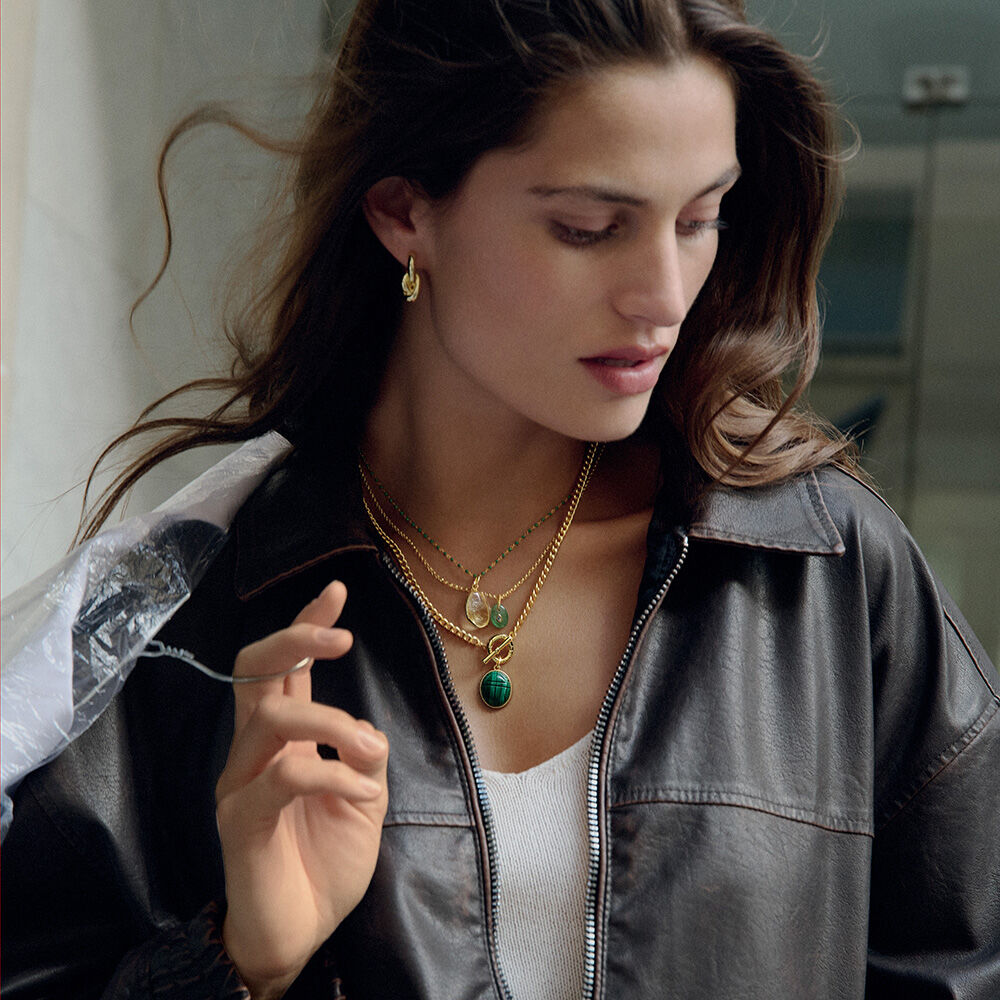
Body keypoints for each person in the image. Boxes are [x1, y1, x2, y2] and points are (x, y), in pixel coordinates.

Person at [3, 0, 999, 997]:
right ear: (404, 212)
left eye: (701, 220)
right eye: (588, 228)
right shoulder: (201, 620)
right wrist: (241, 961)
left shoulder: (823, 574)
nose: (663, 294)